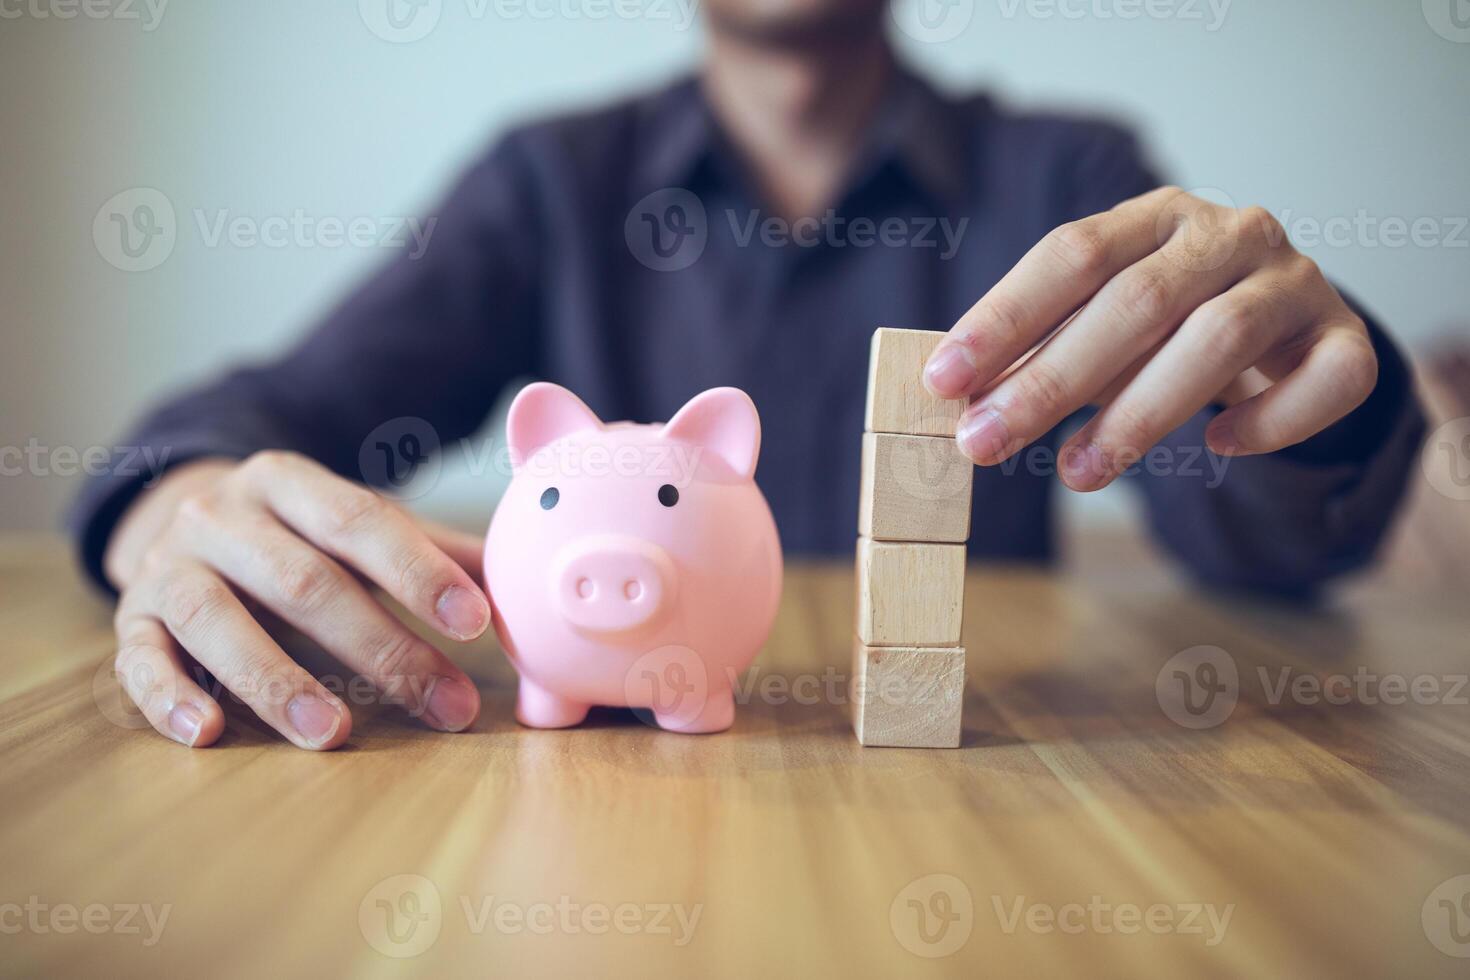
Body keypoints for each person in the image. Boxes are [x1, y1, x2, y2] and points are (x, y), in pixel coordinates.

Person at [71, 0, 1425, 751]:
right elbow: (270, 414)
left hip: (975, 797)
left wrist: (1303, 387)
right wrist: (175, 498)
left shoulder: (1067, 179)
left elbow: (1248, 542)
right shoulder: (547, 183)